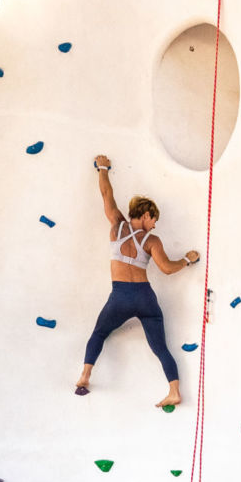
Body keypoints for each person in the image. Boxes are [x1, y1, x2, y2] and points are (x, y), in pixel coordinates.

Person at [75, 156, 200, 408]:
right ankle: (174, 390)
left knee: (99, 333)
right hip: (145, 297)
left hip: (120, 296)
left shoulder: (116, 226)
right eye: (154, 219)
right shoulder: (152, 241)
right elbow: (166, 268)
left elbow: (106, 194)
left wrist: (103, 168)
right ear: (144, 215)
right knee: (160, 348)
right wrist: (186, 260)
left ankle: (85, 376)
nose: (155, 224)